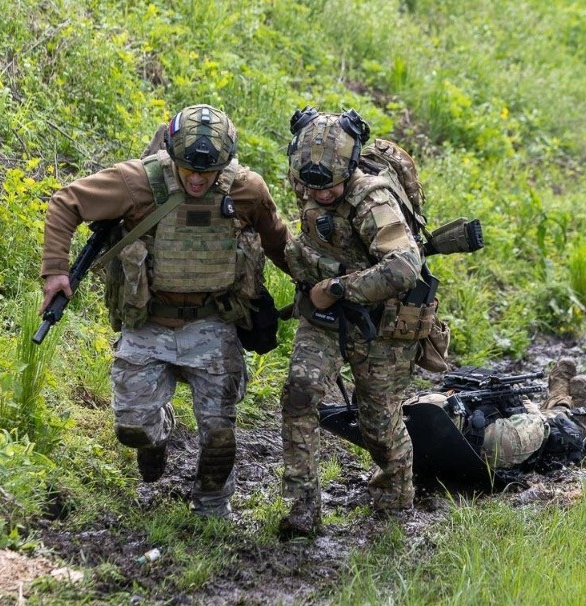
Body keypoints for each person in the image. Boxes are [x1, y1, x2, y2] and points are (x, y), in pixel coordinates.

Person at [39, 104, 292, 518]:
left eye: (207, 172)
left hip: (213, 324)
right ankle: (159, 432)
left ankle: (212, 507)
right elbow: (67, 202)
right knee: (133, 428)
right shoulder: (137, 182)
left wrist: (314, 284)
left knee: (219, 435)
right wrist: (55, 271)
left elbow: (279, 242)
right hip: (149, 322)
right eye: (188, 169)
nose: (197, 180)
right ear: (172, 155)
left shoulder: (247, 190)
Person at [278, 107, 427, 538]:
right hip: (325, 317)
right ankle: (303, 506)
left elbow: (405, 267)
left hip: (381, 324)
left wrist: (339, 288)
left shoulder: (372, 201)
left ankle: (394, 499)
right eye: (311, 186)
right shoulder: (308, 179)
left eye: (330, 187)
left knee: (378, 425)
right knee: (300, 393)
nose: (320, 194)